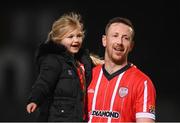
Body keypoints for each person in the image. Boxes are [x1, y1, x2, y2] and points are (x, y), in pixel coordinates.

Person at [26, 12, 102, 122]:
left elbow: (104, 65)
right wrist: (35, 99)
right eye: (70, 37)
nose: (76, 40)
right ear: (58, 40)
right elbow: (44, 82)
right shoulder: (53, 60)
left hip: (78, 118)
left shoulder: (82, 60)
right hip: (59, 118)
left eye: (79, 36)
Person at [88, 17, 156, 122]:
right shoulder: (88, 76)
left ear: (131, 46)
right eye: (115, 36)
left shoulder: (143, 83)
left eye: (125, 38)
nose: (119, 42)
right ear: (104, 40)